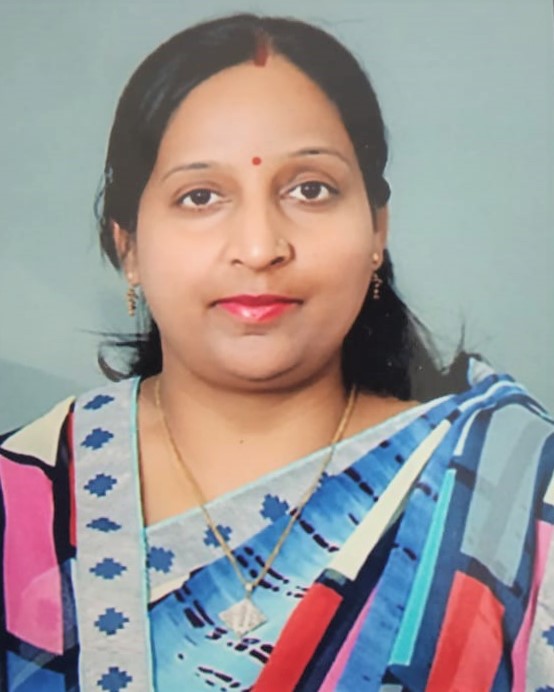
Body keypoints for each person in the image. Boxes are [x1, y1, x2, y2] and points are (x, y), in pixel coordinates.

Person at [0, 13, 552, 691]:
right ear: (129, 245)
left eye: (310, 189)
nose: (260, 248)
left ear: (377, 229)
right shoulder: (18, 501)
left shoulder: (509, 502)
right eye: (200, 196)